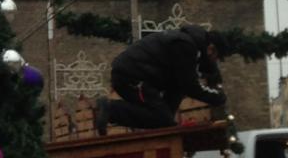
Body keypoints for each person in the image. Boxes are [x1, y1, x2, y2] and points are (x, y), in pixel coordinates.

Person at [96, 25, 226, 134]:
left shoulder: (187, 45)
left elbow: (177, 87)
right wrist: (218, 97)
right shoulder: (185, 46)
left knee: (164, 119)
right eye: (217, 57)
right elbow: (190, 86)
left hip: (135, 76)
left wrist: (169, 125)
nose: (215, 61)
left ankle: (112, 110)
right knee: (161, 118)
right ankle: (111, 109)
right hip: (132, 76)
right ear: (211, 49)